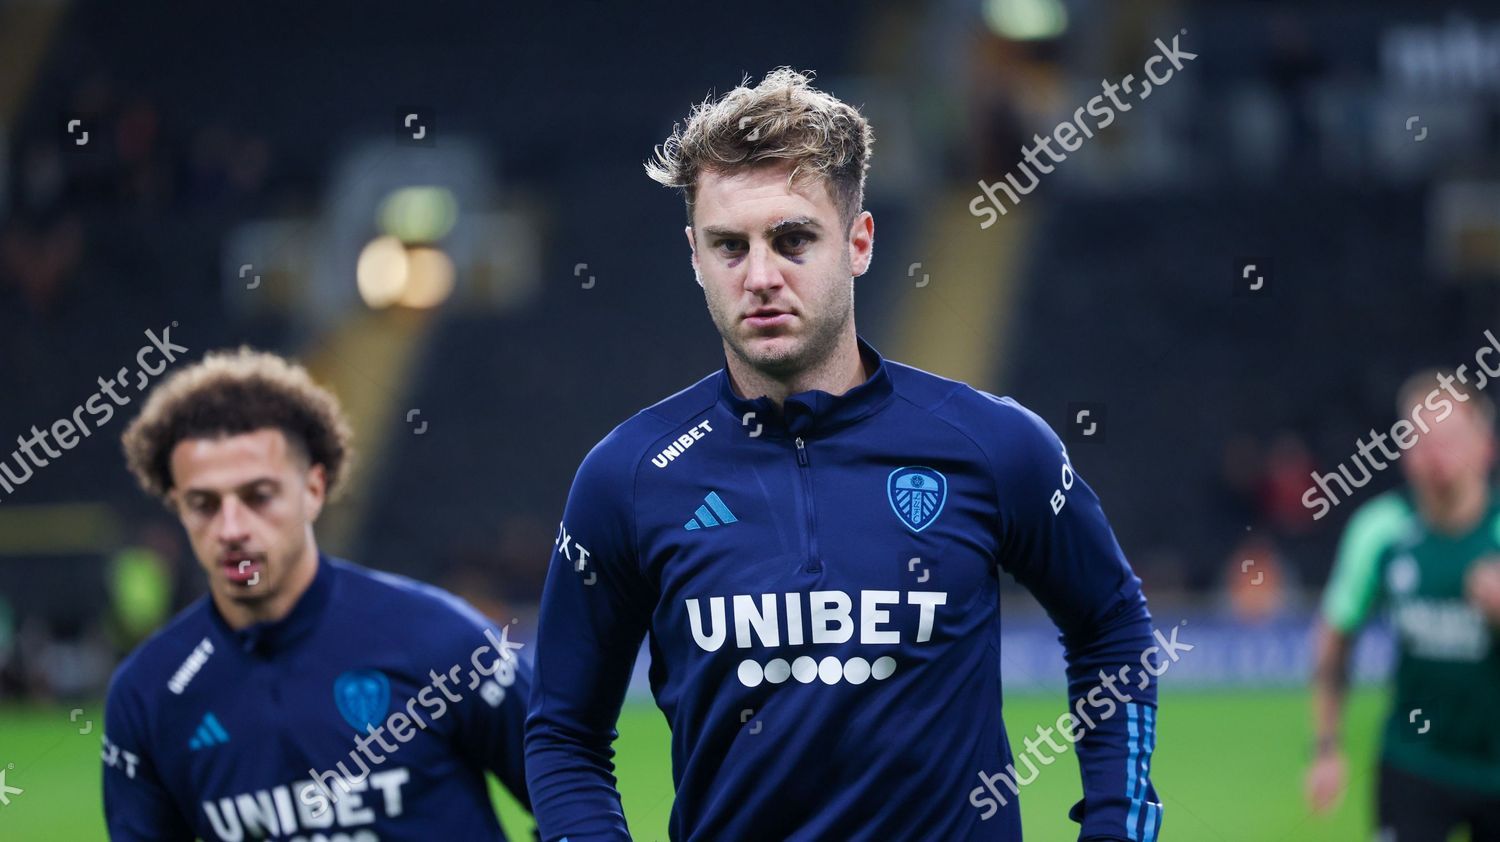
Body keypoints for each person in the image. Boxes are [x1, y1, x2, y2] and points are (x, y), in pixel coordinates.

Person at [525, 68, 1162, 841]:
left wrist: (1118, 823)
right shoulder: (625, 478)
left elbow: (1111, 625)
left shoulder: (994, 447)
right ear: (695, 257)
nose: (760, 277)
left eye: (794, 239)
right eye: (730, 246)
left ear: (858, 242)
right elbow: (563, 735)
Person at [104, 348, 532, 840]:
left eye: (258, 496)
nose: (231, 528)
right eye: (203, 504)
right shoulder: (148, 693)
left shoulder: (445, 642)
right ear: (177, 506)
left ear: (313, 488)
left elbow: (572, 791)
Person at [1308, 370, 1500, 840]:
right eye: (1419, 440)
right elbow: (1335, 636)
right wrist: (1327, 747)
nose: (1435, 454)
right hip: (1413, 763)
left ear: (1485, 446)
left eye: (1450, 438)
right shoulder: (1379, 531)